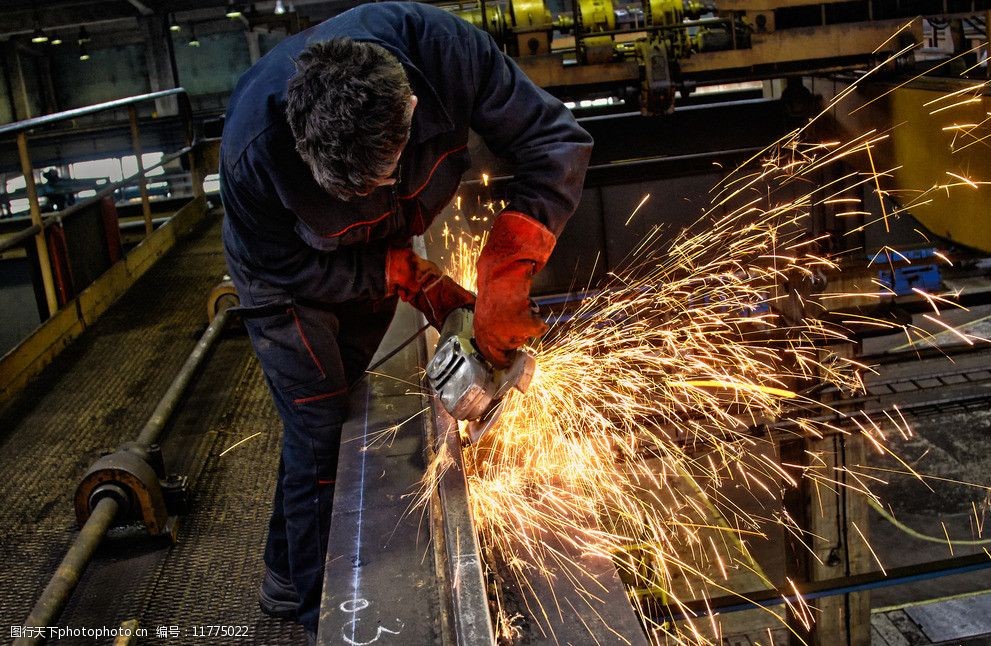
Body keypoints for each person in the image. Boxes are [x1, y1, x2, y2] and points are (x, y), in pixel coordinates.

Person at [219, 2, 591, 639]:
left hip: (373, 252)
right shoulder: (253, 152)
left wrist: (506, 269)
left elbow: (556, 142)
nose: (370, 195)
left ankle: (282, 568)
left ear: (411, 109)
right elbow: (280, 267)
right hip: (283, 286)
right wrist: (404, 274)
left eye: (381, 178)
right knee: (316, 423)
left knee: (327, 420)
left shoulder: (448, 53)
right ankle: (316, 616)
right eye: (350, 192)